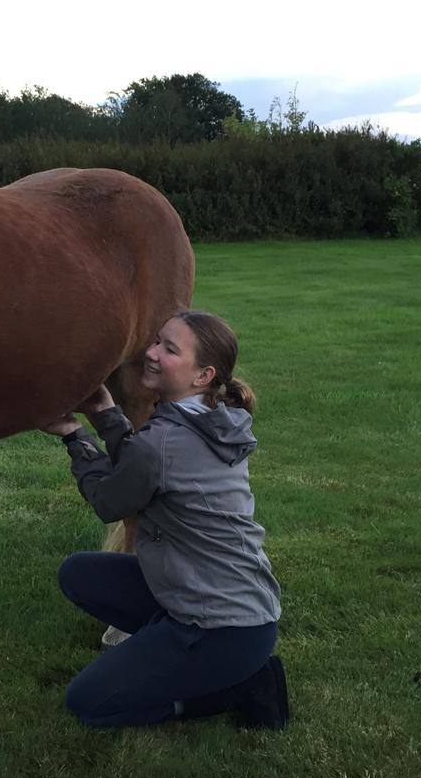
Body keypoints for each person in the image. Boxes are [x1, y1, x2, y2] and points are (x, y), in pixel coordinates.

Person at [42, 310, 288, 729]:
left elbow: (109, 499)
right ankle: (172, 645)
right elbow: (145, 468)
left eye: (169, 350)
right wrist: (105, 412)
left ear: (202, 375)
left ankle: (233, 690)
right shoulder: (214, 418)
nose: (151, 353)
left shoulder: (164, 441)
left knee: (88, 703)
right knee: (79, 573)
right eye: (156, 341)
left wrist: (73, 436)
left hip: (220, 628)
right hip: (235, 607)